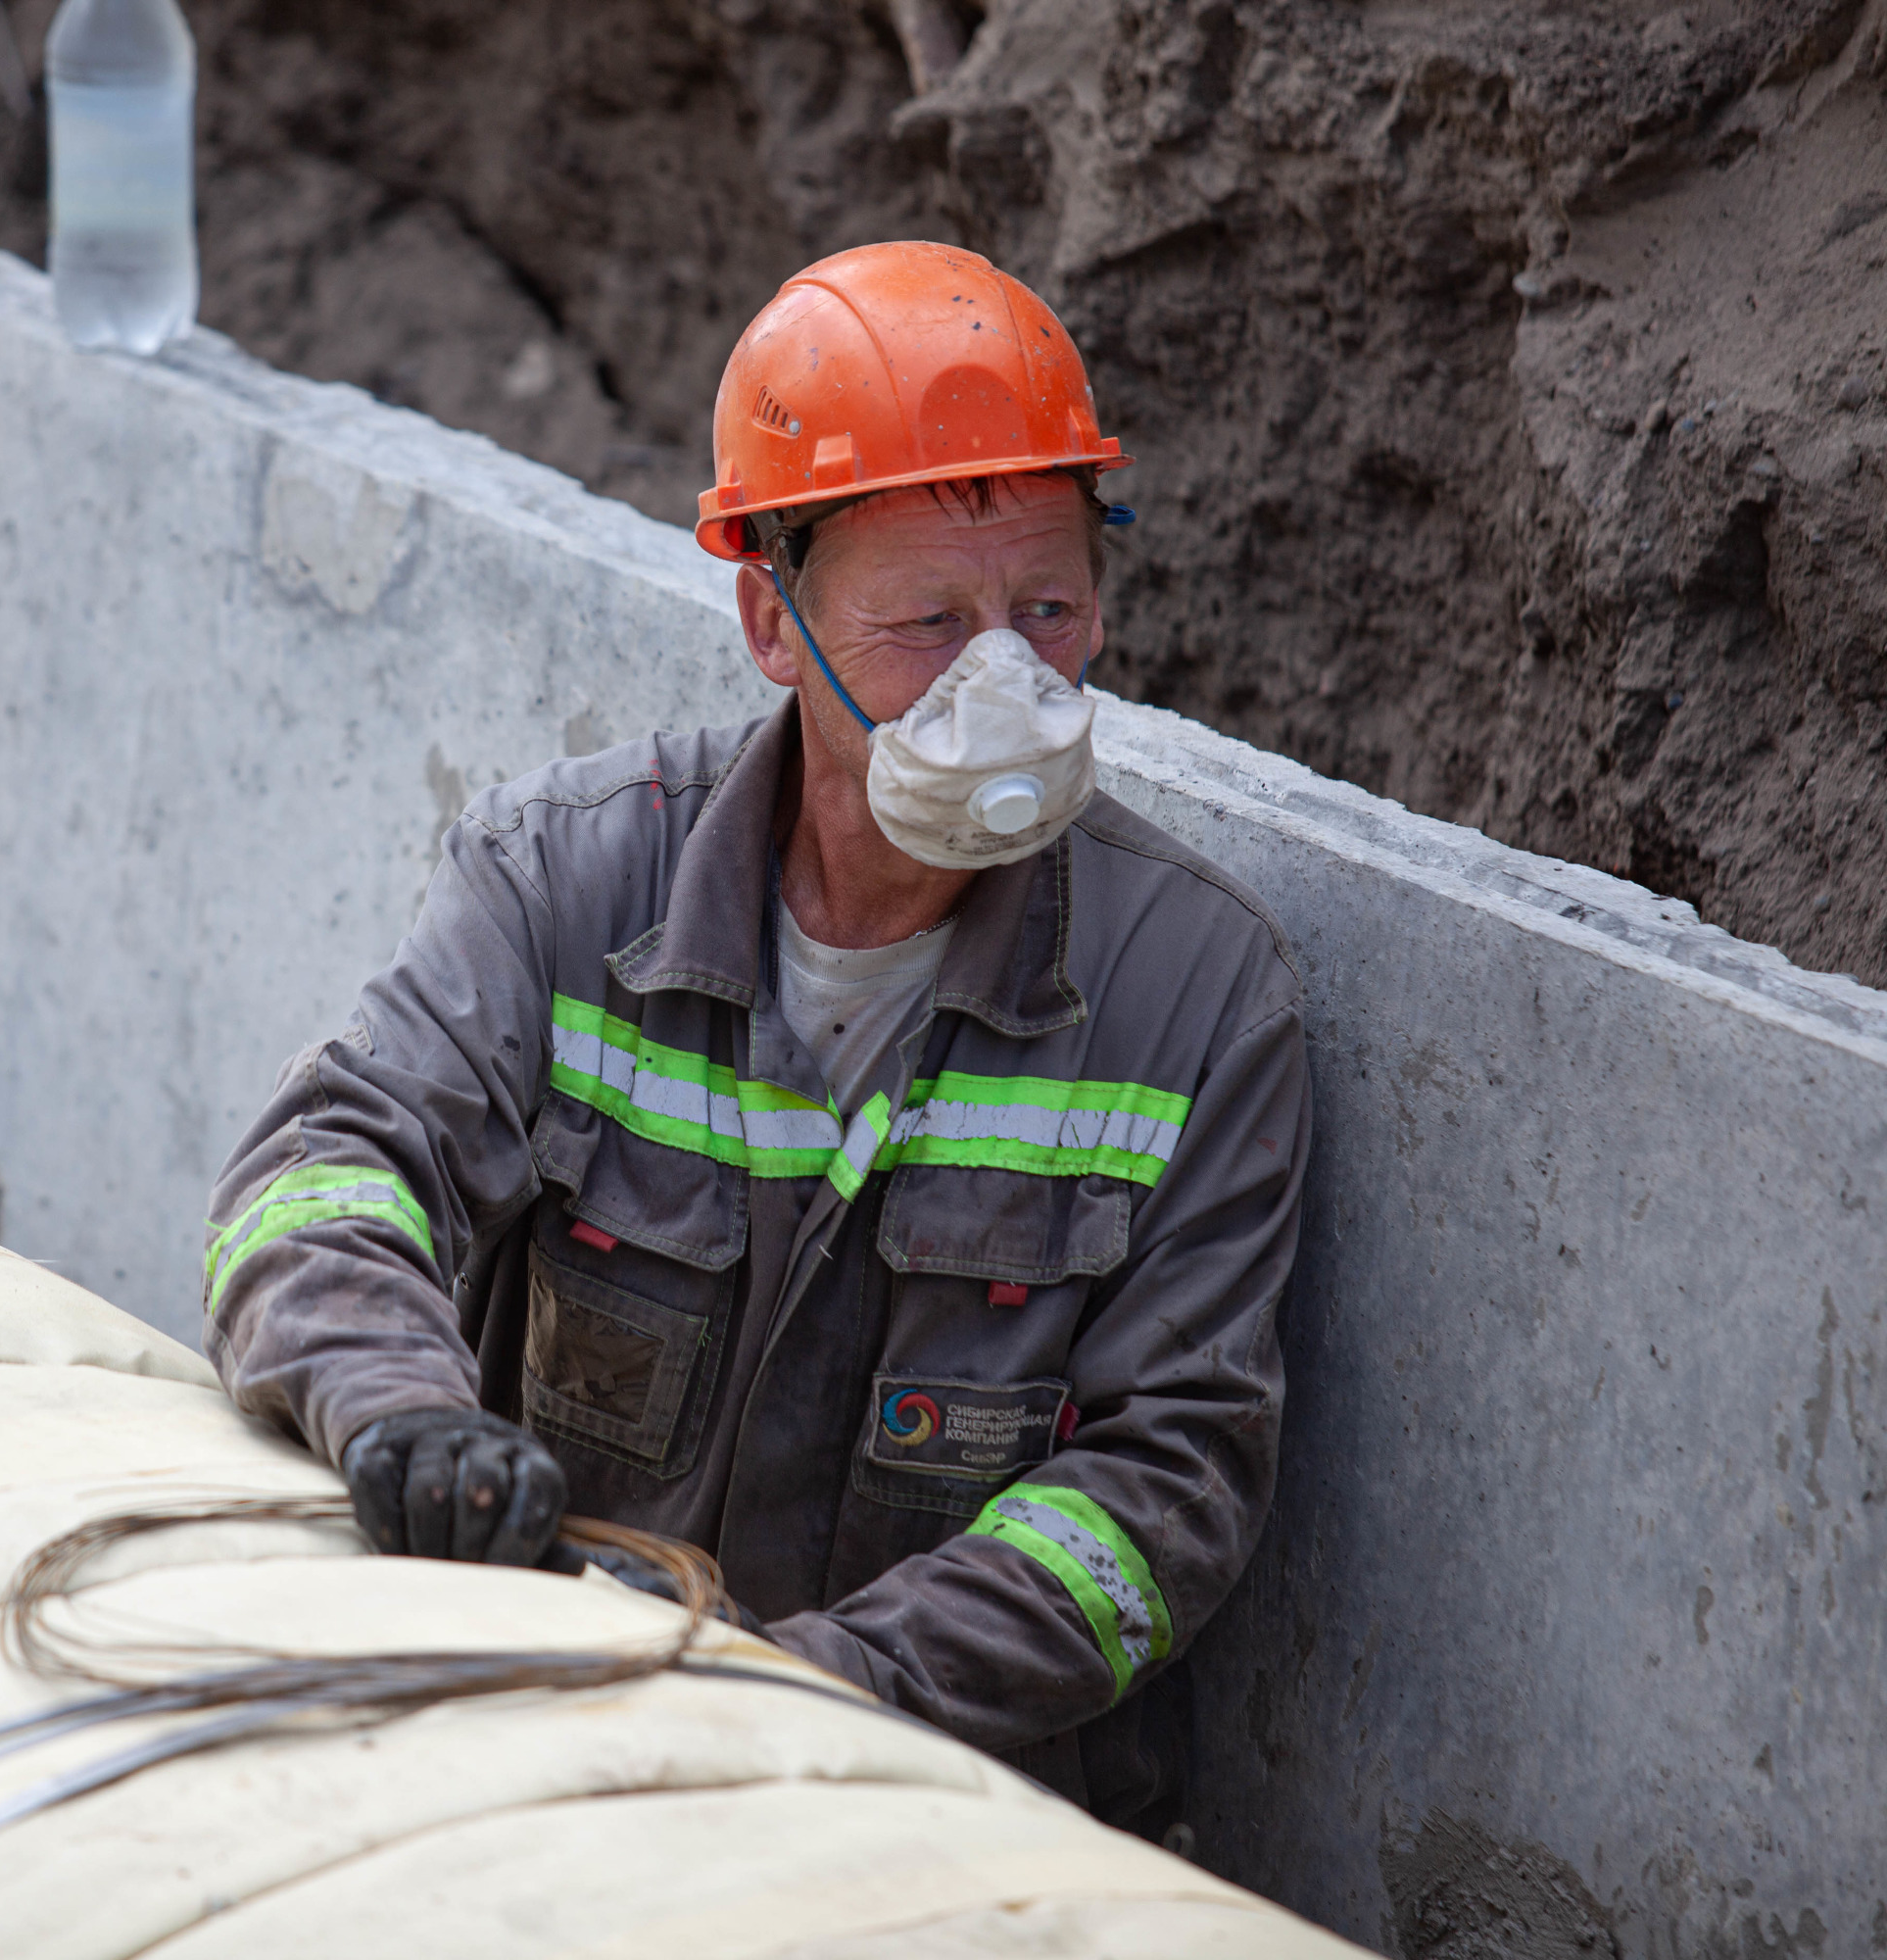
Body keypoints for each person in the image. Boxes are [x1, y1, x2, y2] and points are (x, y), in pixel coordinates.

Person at [201, 240, 1309, 1823]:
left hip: (924, 1823)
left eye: (1048, 606)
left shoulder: (1197, 999)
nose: (1003, 676)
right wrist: (402, 1415)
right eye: (928, 621)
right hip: (548, 1754)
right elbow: (320, 1175)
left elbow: (1163, 1502)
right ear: (772, 624)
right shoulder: (568, 882)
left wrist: (801, 1697)